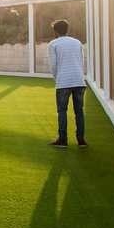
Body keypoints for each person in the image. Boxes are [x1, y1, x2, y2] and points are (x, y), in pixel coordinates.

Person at [47, 19, 87, 148]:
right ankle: (81, 141)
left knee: (62, 111)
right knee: (79, 111)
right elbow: (81, 61)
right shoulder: (77, 42)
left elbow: (53, 65)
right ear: (67, 29)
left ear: (55, 31)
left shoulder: (53, 44)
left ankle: (63, 140)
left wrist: (56, 78)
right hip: (79, 81)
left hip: (63, 82)